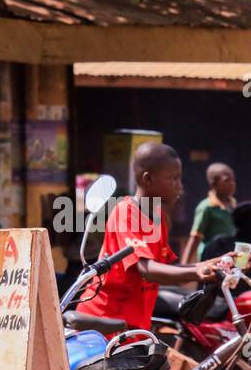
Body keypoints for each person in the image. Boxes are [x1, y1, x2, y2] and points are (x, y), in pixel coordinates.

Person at [76, 142, 222, 333]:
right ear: (148, 179)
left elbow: (164, 270)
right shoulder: (126, 212)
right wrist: (197, 271)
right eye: (174, 178)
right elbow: (146, 269)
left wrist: (214, 264)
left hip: (134, 326)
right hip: (104, 323)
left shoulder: (158, 216)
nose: (180, 186)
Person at [181, 162, 238, 263]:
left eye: (233, 180)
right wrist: (184, 264)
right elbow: (195, 238)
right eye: (227, 180)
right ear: (213, 183)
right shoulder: (206, 207)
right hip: (210, 257)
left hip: (228, 256)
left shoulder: (233, 203)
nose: (232, 184)